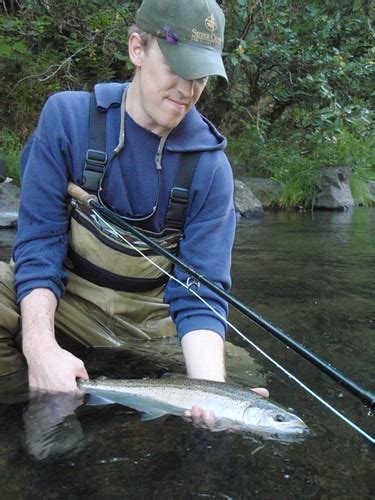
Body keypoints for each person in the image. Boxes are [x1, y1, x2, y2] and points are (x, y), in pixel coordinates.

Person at [0, 0, 268, 426]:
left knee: (237, 377)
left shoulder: (212, 169)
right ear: (137, 49)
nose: (188, 88)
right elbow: (37, 248)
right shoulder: (68, 118)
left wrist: (213, 394)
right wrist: (40, 349)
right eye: (177, 67)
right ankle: (44, 415)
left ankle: (136, 425)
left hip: (149, 324)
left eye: (200, 75)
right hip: (66, 300)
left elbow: (200, 294)